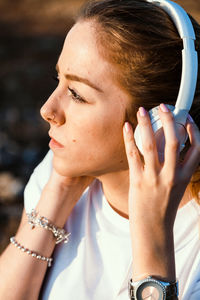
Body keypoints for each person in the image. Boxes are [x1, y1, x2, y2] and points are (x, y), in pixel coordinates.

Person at [0, 0, 200, 299]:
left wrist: (152, 234)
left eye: (77, 94)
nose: (47, 110)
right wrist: (58, 191)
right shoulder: (67, 168)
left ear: (160, 124)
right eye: (59, 80)